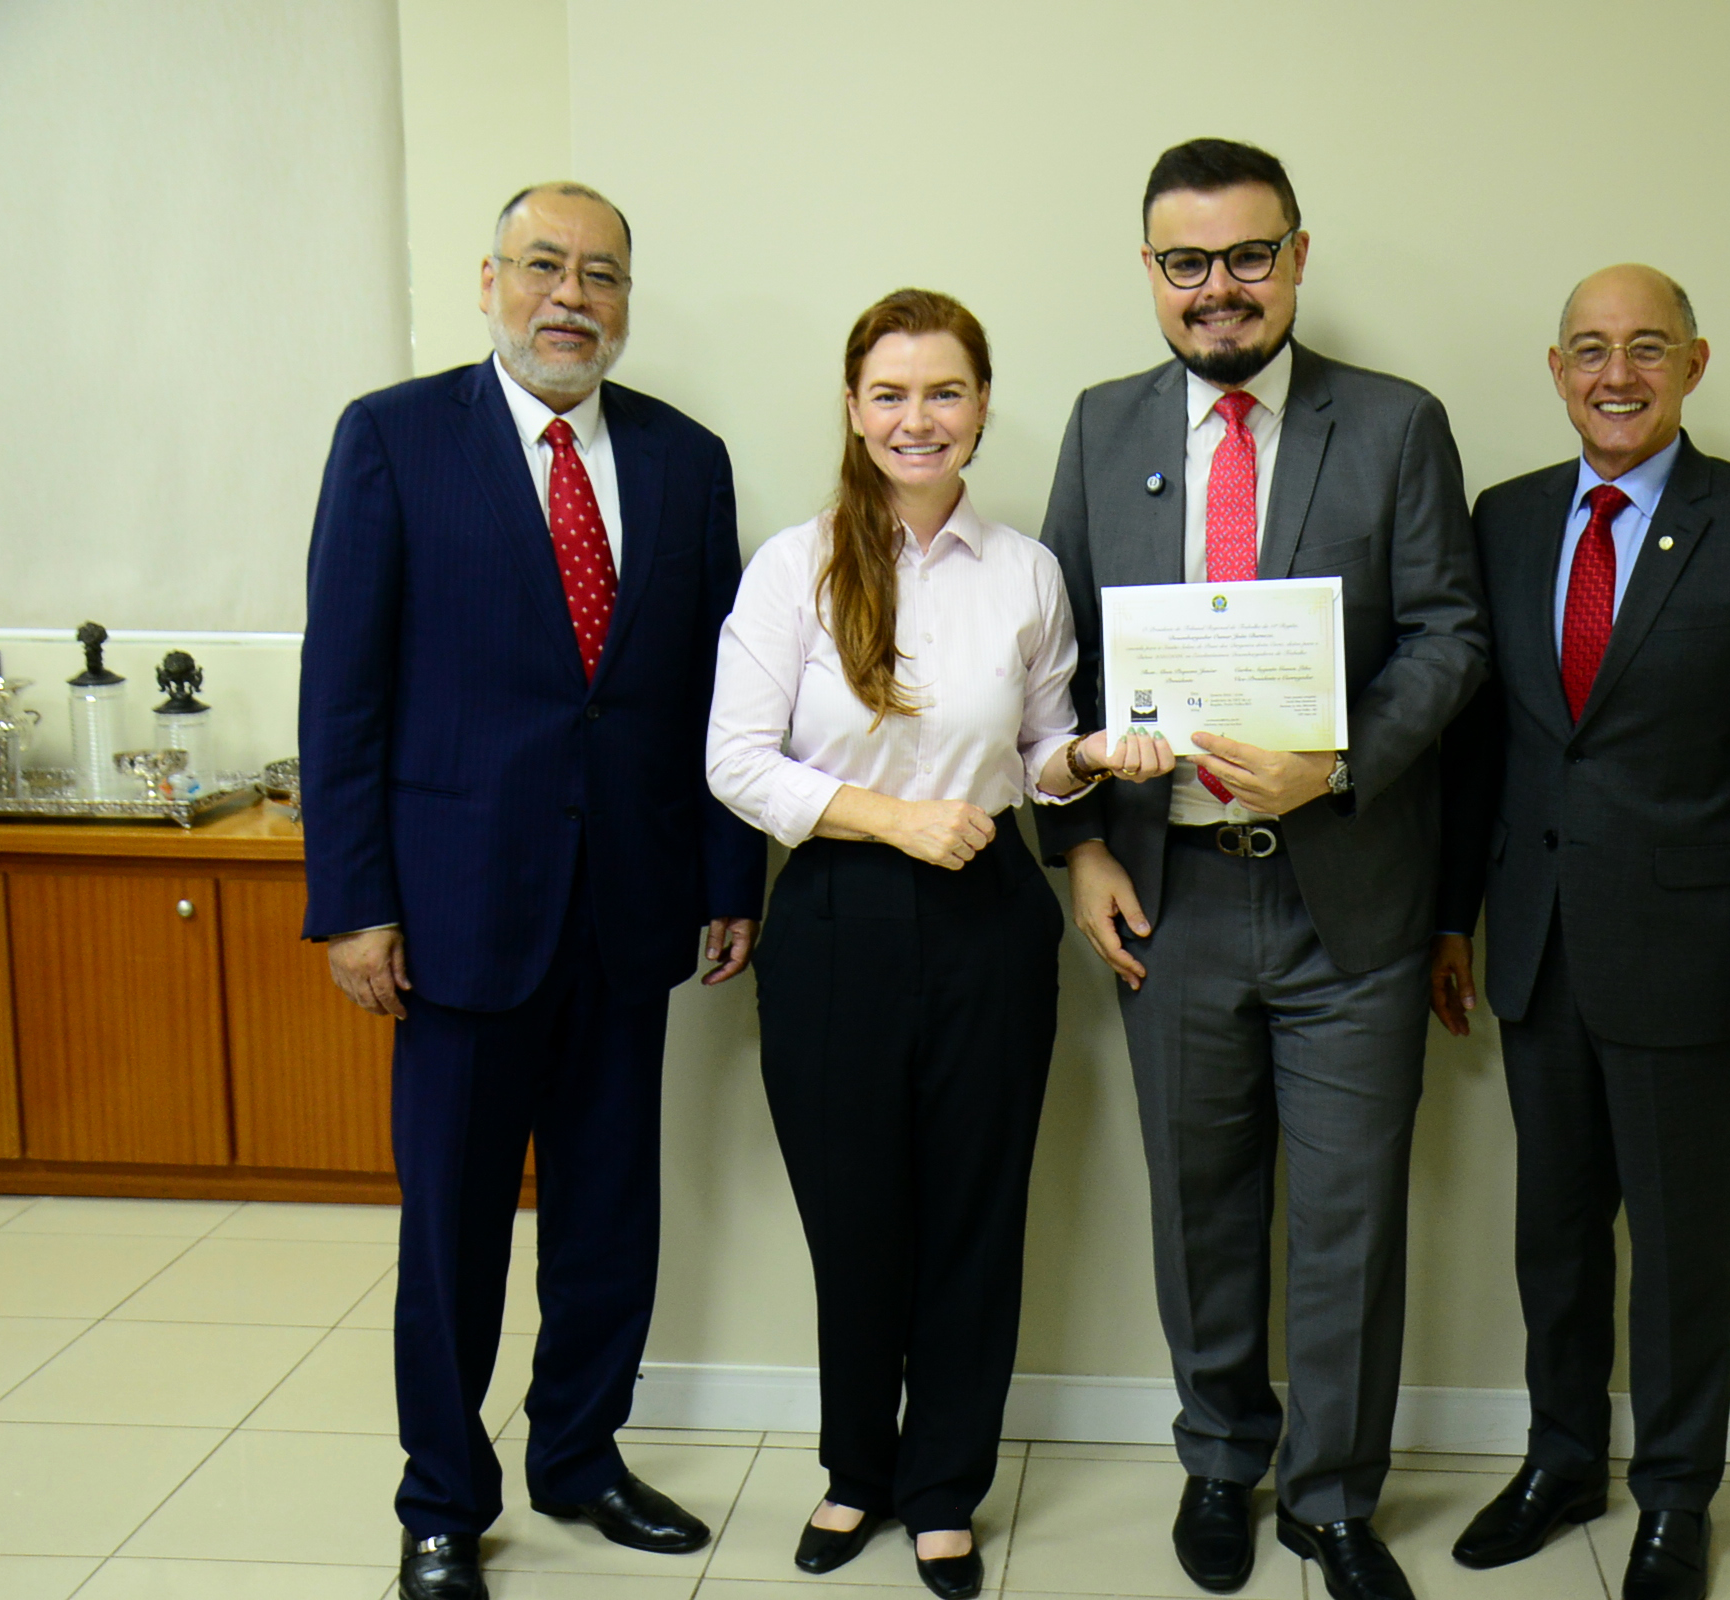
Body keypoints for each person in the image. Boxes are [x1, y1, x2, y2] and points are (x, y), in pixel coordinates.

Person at [301, 182, 766, 1600]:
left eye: (603, 275)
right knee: (451, 1230)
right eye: (545, 267)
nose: (574, 296)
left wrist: (728, 873)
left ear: (629, 302)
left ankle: (579, 1456)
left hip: (631, 910)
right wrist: (353, 899)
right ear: (490, 281)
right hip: (451, 916)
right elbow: (346, 691)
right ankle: (443, 1495)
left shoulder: (687, 461)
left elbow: (712, 692)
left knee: (612, 1214)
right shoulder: (392, 439)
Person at [1037, 139, 1488, 1600]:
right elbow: (1057, 669)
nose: (1218, 289)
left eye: (1247, 257)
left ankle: (1336, 1499)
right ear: (1151, 274)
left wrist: (1338, 762)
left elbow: (1452, 637)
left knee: (1351, 1218)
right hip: (1172, 897)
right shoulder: (1103, 430)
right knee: (1201, 1201)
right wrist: (1082, 847)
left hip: (1349, 896)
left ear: (1297, 256)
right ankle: (1223, 1462)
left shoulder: (1398, 425)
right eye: (1187, 262)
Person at [707, 288, 1172, 1600]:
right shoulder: (793, 567)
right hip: (838, 920)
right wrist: (897, 822)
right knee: (855, 1221)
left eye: (946, 392)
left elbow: (1040, 750)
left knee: (975, 1216)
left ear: (980, 407)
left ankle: (943, 1488)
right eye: (893, 394)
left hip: (990, 929)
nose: (920, 419)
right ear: (856, 411)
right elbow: (733, 759)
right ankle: (857, 1470)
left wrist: (1082, 758)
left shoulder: (1024, 572)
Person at [1431, 264, 1730, 1600]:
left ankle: (1675, 1494)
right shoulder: (1502, 521)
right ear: (1556, 370)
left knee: (1678, 1251)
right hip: (1538, 948)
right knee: (1552, 1238)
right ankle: (1565, 1460)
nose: (1619, 375)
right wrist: (1452, 920)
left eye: (1648, 349)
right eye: (1592, 351)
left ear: (1695, 364)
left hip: (1692, 966)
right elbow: (1478, 751)